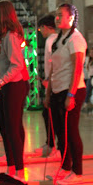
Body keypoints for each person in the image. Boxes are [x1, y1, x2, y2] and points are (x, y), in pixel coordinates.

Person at [0, 0, 30, 185]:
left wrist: (0, 83)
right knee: (4, 129)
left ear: (1, 15)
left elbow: (17, 65)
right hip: (4, 85)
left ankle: (20, 173)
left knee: (12, 129)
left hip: (15, 85)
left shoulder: (11, 36)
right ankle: (11, 169)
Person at [44, 3, 87, 185]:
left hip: (72, 90)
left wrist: (71, 95)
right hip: (56, 89)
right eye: (56, 15)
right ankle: (65, 166)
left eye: (60, 14)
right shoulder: (57, 40)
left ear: (70, 18)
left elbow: (77, 68)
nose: (57, 18)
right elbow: (53, 68)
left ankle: (77, 171)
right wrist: (47, 93)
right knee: (61, 133)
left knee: (71, 131)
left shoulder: (76, 39)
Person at [35, 14, 58, 157]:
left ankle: (54, 146)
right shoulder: (54, 40)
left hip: (54, 83)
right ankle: (50, 143)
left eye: (40, 29)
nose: (40, 32)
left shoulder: (52, 40)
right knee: (47, 113)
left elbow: (53, 64)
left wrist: (48, 81)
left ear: (45, 27)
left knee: (51, 114)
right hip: (52, 82)